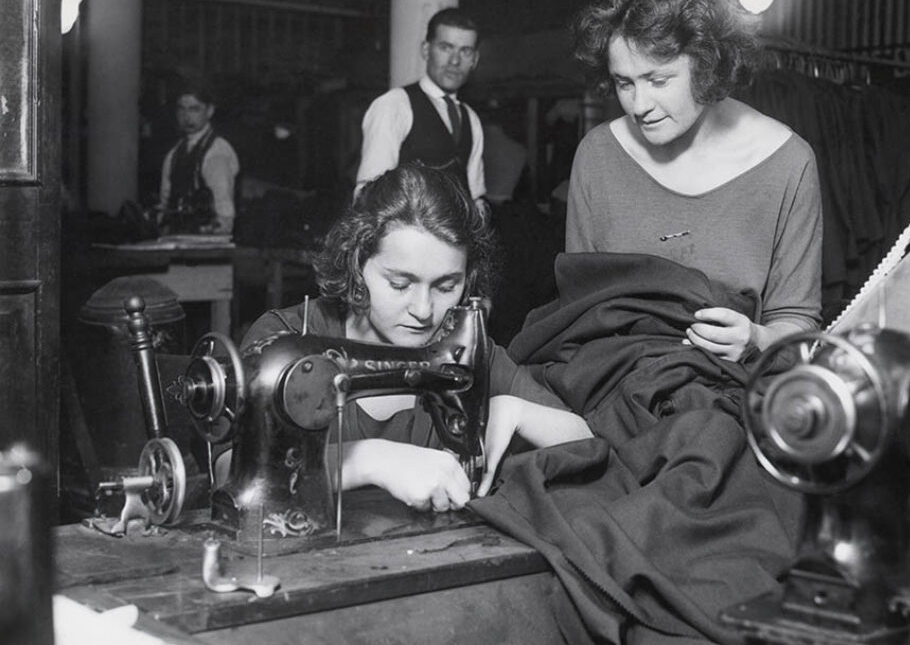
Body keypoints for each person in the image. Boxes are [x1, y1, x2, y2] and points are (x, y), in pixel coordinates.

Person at [240, 163, 591, 513]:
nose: (424, 310)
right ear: (356, 263)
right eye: (400, 284)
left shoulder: (463, 349)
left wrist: (517, 411)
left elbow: (586, 442)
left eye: (446, 285)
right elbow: (234, 471)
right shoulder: (282, 343)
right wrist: (368, 460)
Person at [567, 0, 823, 359]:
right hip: (611, 389)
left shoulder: (788, 163)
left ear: (706, 64)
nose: (639, 105)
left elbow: (798, 322)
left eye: (658, 80)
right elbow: (577, 309)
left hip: (731, 397)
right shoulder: (598, 155)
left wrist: (755, 339)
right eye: (624, 83)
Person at [355, 8, 487, 212]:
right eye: (446, 47)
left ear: (475, 60)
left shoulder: (471, 118)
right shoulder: (394, 105)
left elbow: (476, 199)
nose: (455, 61)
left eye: (465, 51)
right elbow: (368, 194)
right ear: (426, 50)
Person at [158, 83, 240, 234]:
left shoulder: (216, 152)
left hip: (208, 245)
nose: (186, 116)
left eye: (194, 109)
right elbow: (165, 204)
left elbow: (225, 217)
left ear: (209, 111)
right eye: (181, 109)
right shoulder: (174, 154)